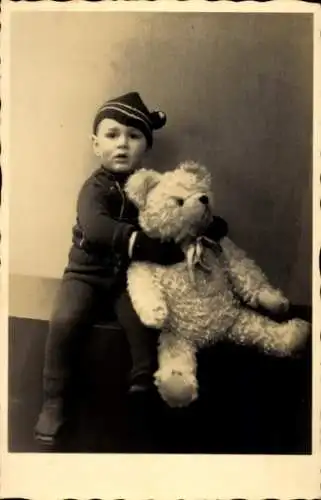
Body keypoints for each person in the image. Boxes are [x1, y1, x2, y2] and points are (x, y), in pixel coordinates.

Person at [34, 91, 228, 446]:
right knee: (64, 321)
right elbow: (96, 226)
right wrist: (143, 243)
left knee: (142, 317)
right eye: (112, 135)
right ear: (96, 144)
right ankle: (53, 399)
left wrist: (201, 225)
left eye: (133, 136)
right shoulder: (93, 189)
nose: (122, 144)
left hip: (128, 274)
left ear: (146, 146)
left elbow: (171, 213)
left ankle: (141, 382)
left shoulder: (150, 188)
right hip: (86, 274)